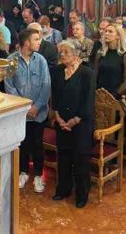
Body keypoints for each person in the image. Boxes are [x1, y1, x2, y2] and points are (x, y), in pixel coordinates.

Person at [5, 29, 51, 194]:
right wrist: (24, 107)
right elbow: (9, 86)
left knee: (37, 144)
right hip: (20, 112)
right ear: (26, 42)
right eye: (36, 39)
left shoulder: (41, 60)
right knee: (22, 143)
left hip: (39, 112)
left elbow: (46, 85)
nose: (39, 42)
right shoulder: (11, 60)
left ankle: (38, 175)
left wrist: (36, 106)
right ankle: (23, 172)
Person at [51, 39, 95, 208]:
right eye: (61, 52)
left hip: (81, 124)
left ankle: (82, 195)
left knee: (80, 159)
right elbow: (54, 96)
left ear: (76, 55)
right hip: (62, 122)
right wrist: (58, 116)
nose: (62, 55)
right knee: (63, 157)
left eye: (66, 52)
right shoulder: (57, 71)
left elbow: (88, 100)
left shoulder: (87, 73)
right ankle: (63, 189)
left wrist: (75, 120)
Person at [95, 24, 126, 100]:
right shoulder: (100, 54)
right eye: (106, 31)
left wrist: (114, 96)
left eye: (110, 31)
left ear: (118, 36)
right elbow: (95, 76)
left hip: (115, 97)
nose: (106, 33)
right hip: (99, 95)